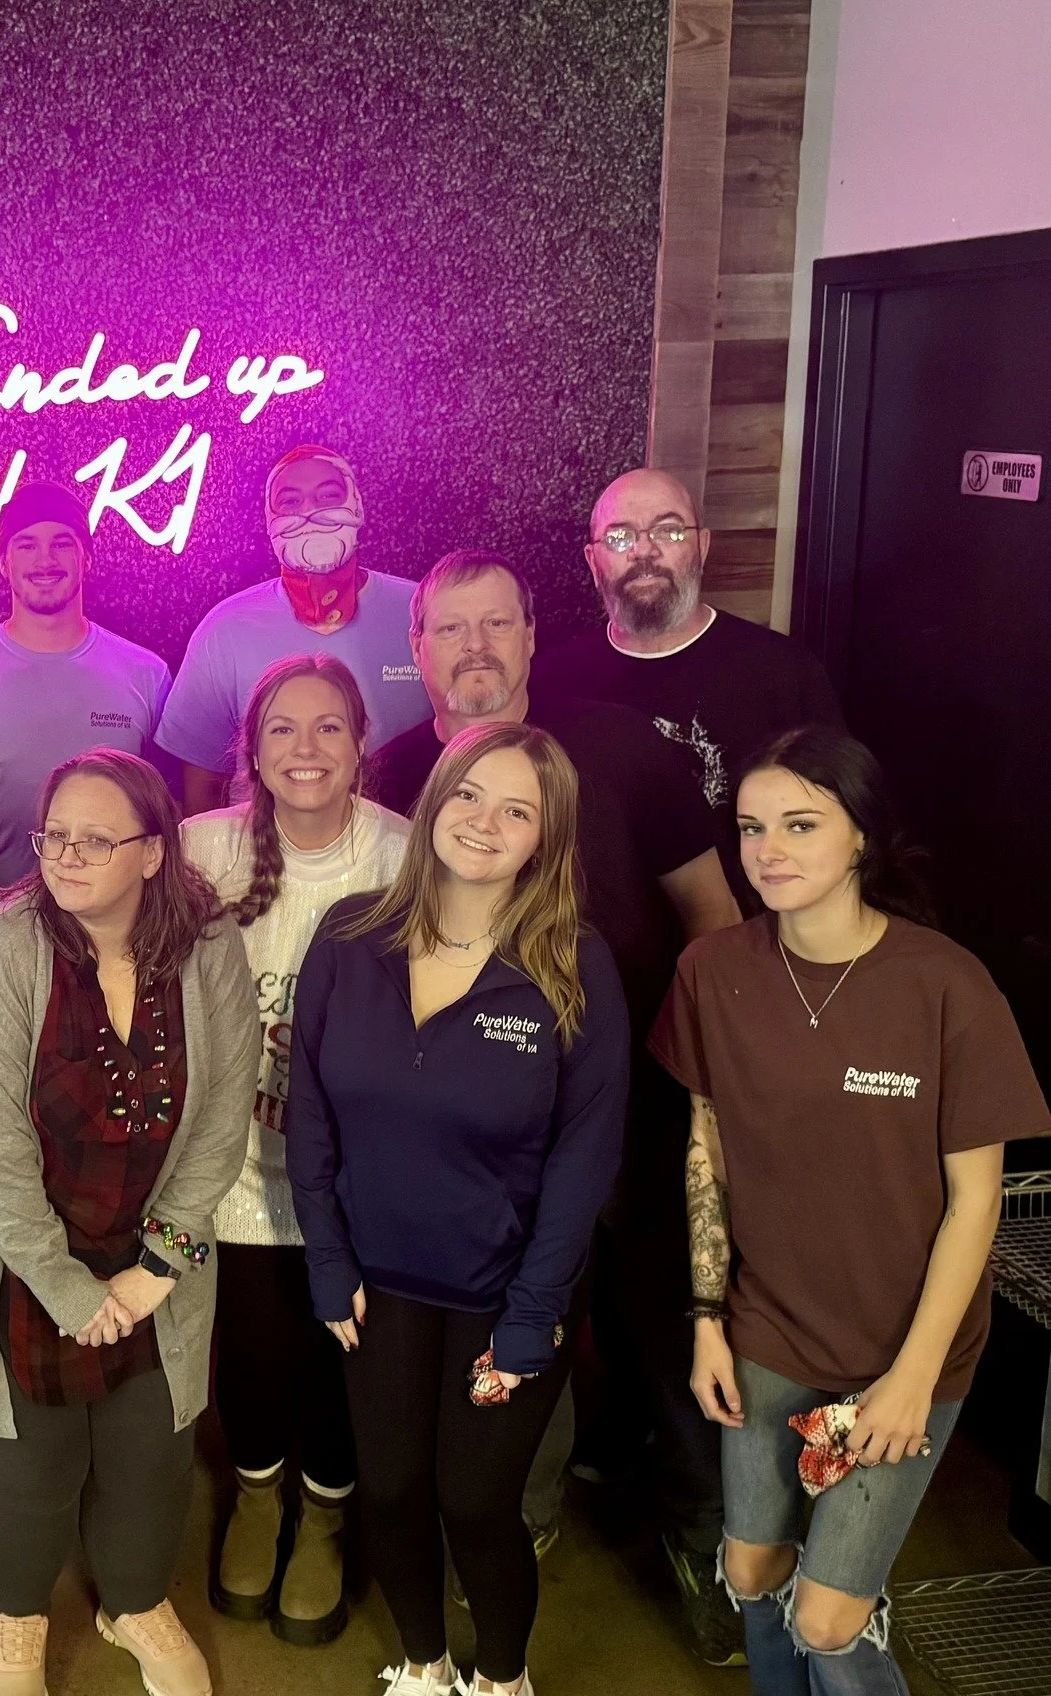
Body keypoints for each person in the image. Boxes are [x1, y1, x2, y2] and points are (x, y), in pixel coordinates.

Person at [376, 548, 743, 1658]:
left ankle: (704, 1541)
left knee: (652, 1315)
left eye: (496, 624)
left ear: (534, 636)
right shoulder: (390, 774)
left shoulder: (621, 746)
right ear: (418, 648)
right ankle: (492, 1515)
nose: (473, 647)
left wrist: (719, 1087)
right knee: (477, 1332)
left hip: (630, 1106)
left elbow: (711, 919)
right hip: (458, 1141)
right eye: (449, 628)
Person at [654, 727, 1051, 1694]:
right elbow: (705, 1151)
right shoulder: (714, 971)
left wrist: (913, 1378)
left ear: (862, 836)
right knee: (752, 1575)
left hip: (905, 1348)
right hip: (768, 1331)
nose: (768, 851)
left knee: (830, 1620)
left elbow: (975, 1203)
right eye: (751, 828)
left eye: (800, 823)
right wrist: (708, 1322)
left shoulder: (944, 984)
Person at [0, 748, 260, 1696]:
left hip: (153, 1252)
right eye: (54, 834)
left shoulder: (211, 946)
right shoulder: (5, 946)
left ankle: (135, 1602)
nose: (66, 856)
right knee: (34, 1462)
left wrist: (159, 1267)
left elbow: (223, 1119)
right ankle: (15, 1625)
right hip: (18, 1253)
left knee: (154, 1454)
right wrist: (65, 1286)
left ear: (154, 854)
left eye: (96, 840)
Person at [288, 721, 629, 1696]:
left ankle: (500, 1678)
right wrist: (325, 1261)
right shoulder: (349, 938)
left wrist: (532, 1317)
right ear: (435, 800)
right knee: (390, 1492)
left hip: (503, 1293)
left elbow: (583, 1159)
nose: (484, 822)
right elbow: (308, 1112)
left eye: (516, 809)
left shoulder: (571, 966)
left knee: (475, 1505)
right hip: (374, 1286)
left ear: (544, 839)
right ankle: (423, 1664)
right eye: (469, 794)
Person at [180, 656, 408, 1646]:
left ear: (362, 744)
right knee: (252, 1346)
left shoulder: (401, 855)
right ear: (251, 750)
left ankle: (323, 1510)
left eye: (328, 728)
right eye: (281, 729)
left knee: (336, 1350)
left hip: (355, 1171)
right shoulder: (200, 850)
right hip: (230, 1160)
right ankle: (257, 1498)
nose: (304, 749)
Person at [541, 467, 842, 901]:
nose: (644, 551)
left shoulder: (782, 671)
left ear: (702, 546)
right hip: (589, 951)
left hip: (748, 945)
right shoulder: (554, 681)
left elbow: (836, 819)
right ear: (593, 561)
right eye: (620, 537)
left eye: (669, 531)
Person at [156, 446, 429, 813]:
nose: (310, 512)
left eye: (328, 496)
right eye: (290, 501)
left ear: (358, 506)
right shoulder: (226, 628)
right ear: (269, 521)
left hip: (410, 855)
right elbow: (202, 784)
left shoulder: (423, 611)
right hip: (266, 861)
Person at [0, 478, 173, 890]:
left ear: (86, 558)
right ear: (3, 562)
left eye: (61, 543)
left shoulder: (146, 675)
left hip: (118, 926)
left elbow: (167, 813)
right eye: (26, 544)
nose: (45, 560)